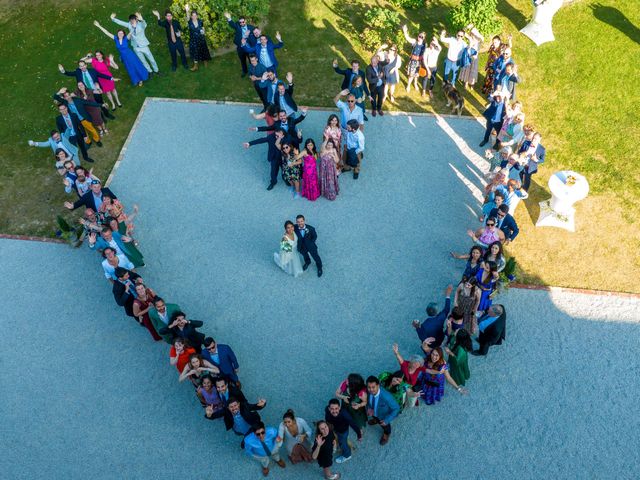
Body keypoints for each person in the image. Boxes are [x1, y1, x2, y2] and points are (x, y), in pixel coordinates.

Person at [94, 21, 149, 86]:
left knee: (135, 66)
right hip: (124, 57)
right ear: (117, 34)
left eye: (121, 33)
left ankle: (141, 79)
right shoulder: (115, 39)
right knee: (130, 68)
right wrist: (99, 26)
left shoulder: (126, 38)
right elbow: (107, 33)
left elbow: (131, 31)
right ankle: (136, 79)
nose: (120, 34)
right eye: (119, 33)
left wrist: (134, 24)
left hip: (130, 55)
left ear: (123, 34)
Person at [324, 399, 362, 464]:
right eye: (332, 409)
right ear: (329, 408)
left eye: (336, 408)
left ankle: (347, 455)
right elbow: (327, 419)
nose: (334, 411)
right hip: (334, 429)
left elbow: (353, 425)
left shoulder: (345, 415)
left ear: (339, 408)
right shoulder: (327, 410)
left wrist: (359, 435)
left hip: (343, 432)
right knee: (337, 439)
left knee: (343, 443)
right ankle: (337, 445)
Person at [365, 376, 400, 445]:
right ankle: (376, 420)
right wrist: (368, 408)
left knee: (386, 427)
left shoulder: (386, 396)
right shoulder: (368, 392)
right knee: (375, 418)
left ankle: (387, 434)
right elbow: (368, 402)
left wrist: (387, 420)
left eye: (373, 387)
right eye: (369, 387)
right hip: (374, 413)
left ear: (378, 385)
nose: (371, 390)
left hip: (383, 417)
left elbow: (396, 408)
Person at [224, 12, 256, 77]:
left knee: (251, 60)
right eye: (240, 22)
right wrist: (229, 18)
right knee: (242, 60)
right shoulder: (238, 26)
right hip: (240, 47)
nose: (241, 23)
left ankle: (253, 71)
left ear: (245, 21)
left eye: (243, 22)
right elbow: (232, 24)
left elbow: (256, 34)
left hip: (248, 47)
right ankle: (244, 71)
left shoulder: (251, 27)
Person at [401, 25, 426, 94]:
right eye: (419, 36)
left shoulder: (424, 45)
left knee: (417, 74)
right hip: (413, 61)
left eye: (422, 37)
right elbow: (407, 38)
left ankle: (415, 83)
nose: (420, 38)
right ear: (418, 36)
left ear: (424, 38)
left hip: (419, 62)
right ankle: (408, 85)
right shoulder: (414, 42)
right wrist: (405, 31)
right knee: (411, 75)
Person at [185, 5, 211, 71]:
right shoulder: (189, 22)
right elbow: (187, 17)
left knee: (203, 50)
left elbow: (203, 28)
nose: (194, 17)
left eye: (195, 15)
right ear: (191, 16)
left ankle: (205, 61)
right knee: (195, 52)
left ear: (197, 16)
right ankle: (195, 66)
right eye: (193, 15)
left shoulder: (200, 21)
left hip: (201, 39)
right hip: (193, 40)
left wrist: (203, 31)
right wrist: (187, 10)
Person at [458, 25, 484, 89]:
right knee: (467, 69)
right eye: (472, 33)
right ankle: (466, 82)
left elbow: (482, 38)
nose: (473, 35)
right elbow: (463, 31)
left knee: (473, 70)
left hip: (474, 58)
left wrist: (475, 32)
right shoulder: (470, 39)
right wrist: (468, 26)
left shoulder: (479, 41)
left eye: (474, 34)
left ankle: (472, 83)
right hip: (468, 57)